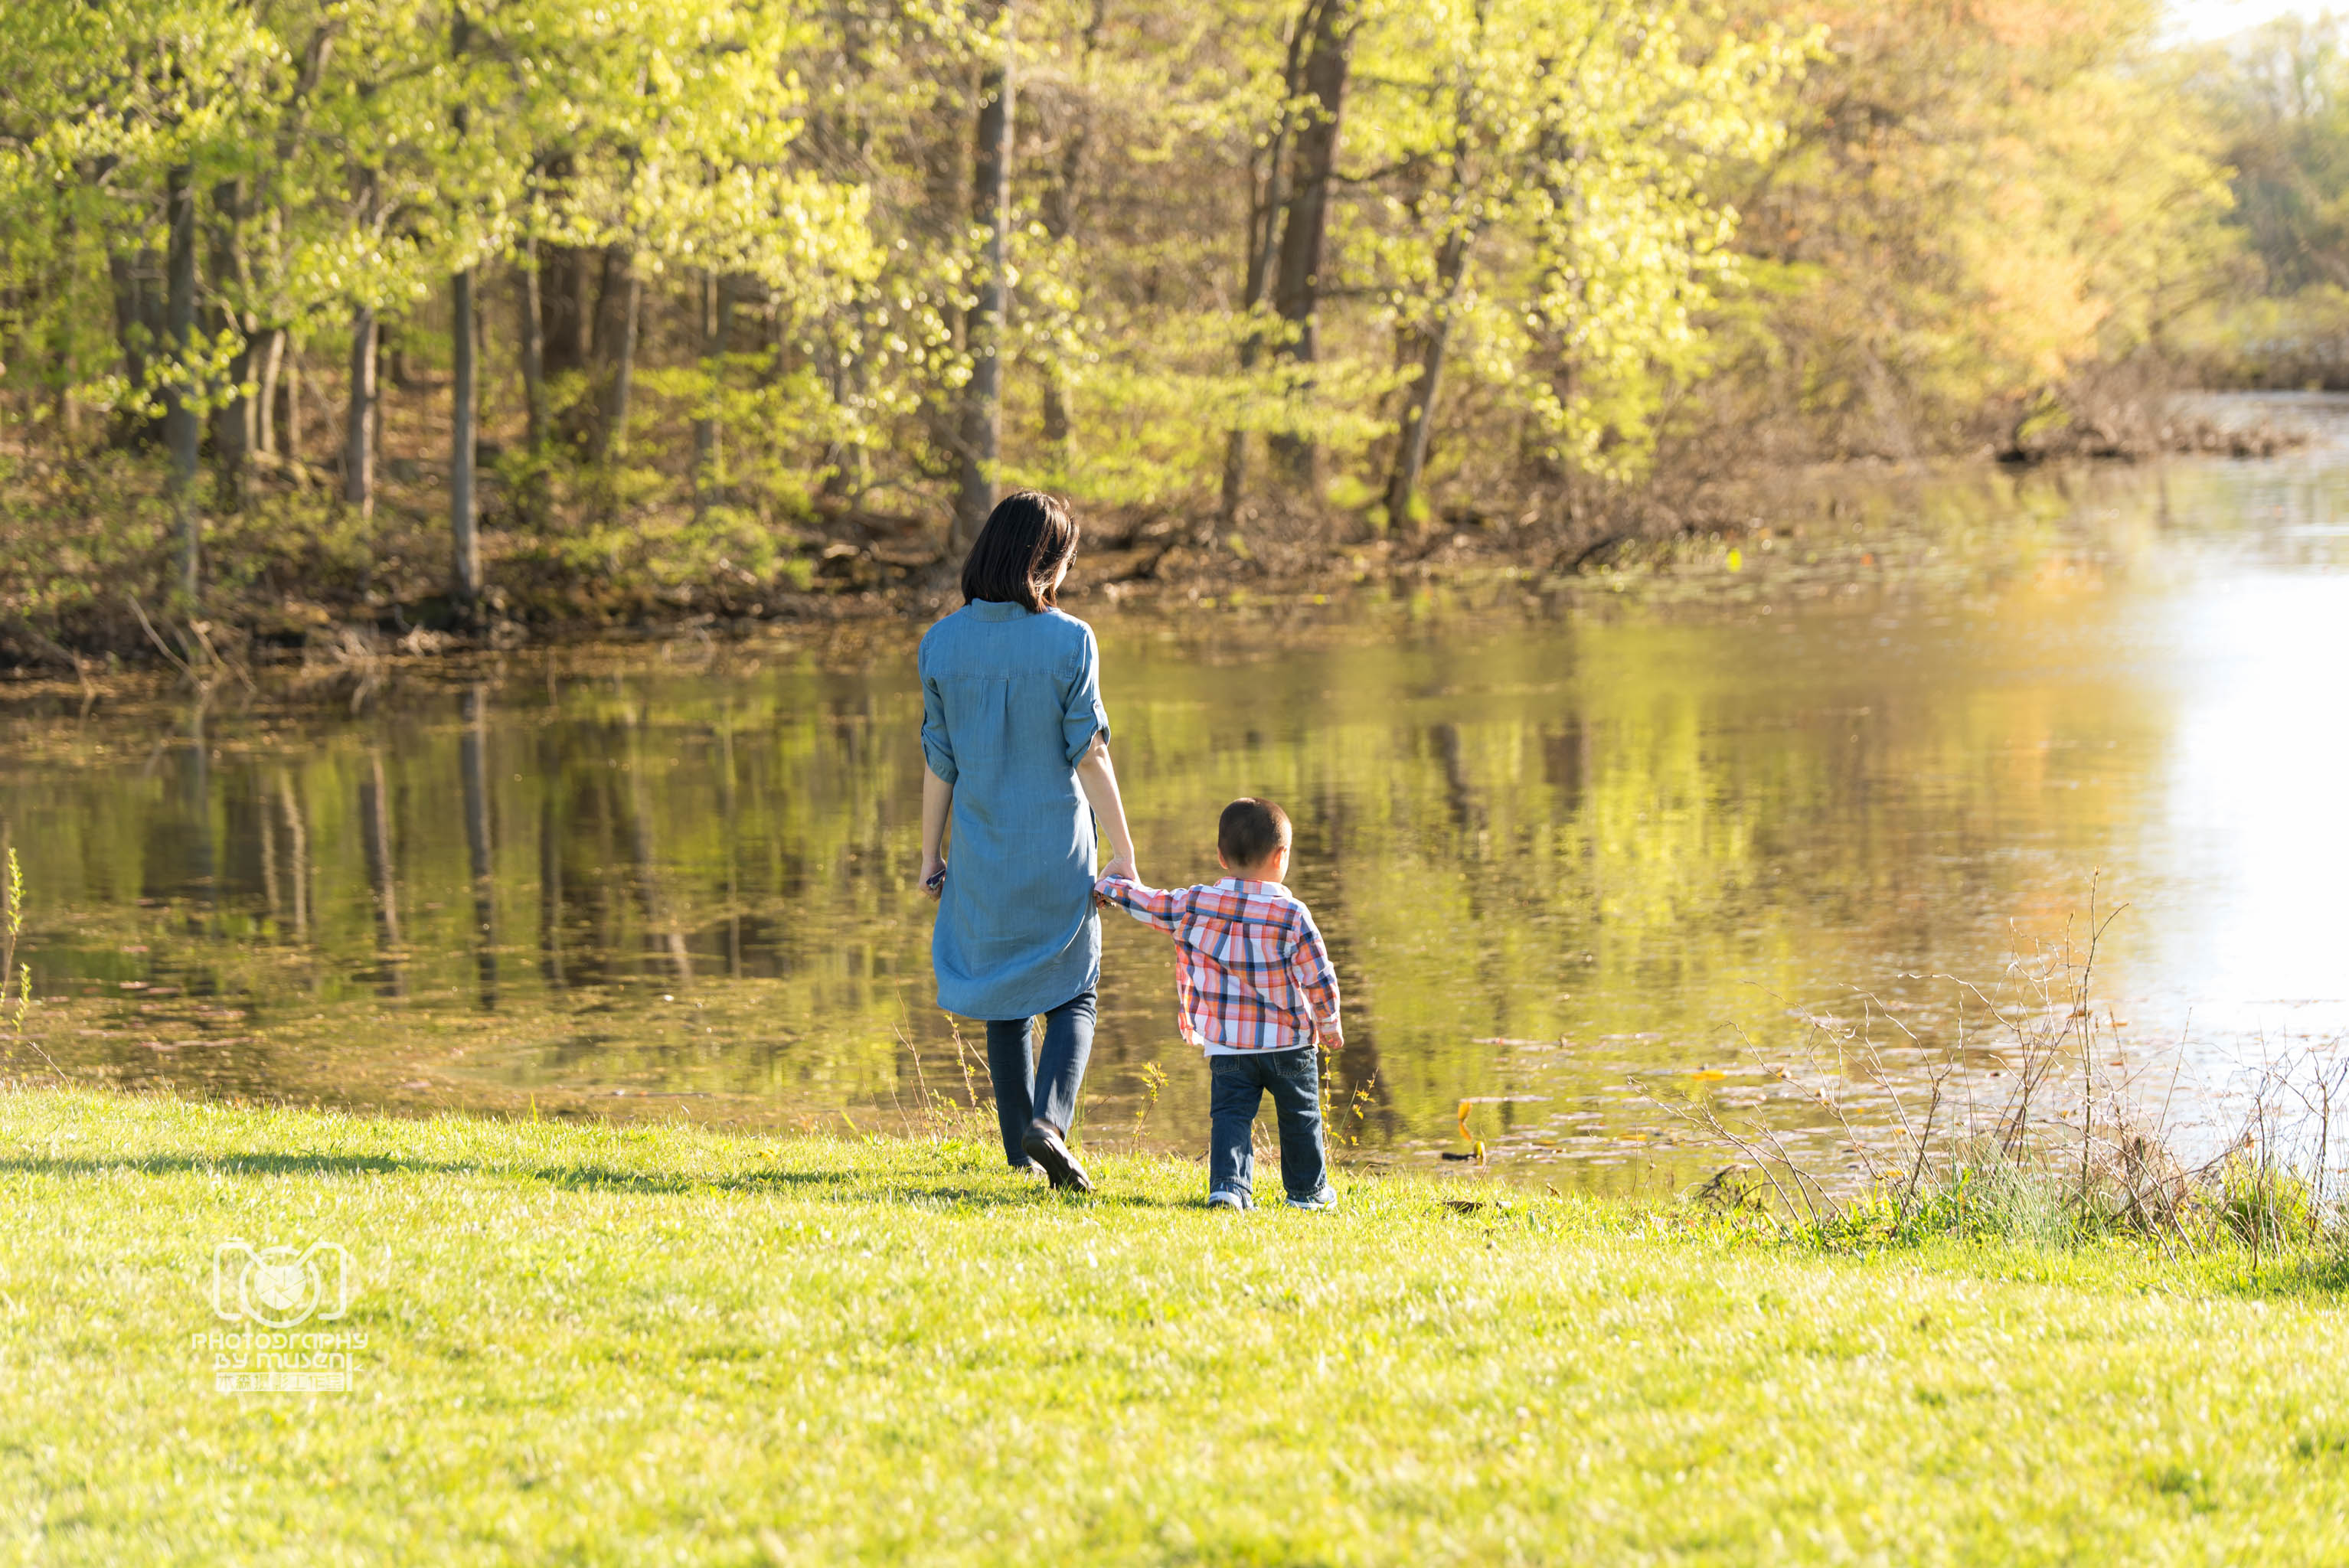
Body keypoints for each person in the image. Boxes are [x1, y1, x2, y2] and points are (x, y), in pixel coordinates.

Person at [919, 492, 1139, 1193]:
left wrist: (931, 855)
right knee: (1075, 994)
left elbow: (938, 762)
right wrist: (1126, 853)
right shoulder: (1071, 639)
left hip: (983, 853)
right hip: (1058, 852)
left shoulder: (940, 643)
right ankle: (1049, 1123)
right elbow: (1091, 755)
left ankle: (1021, 1148)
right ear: (1046, 562)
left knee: (1002, 997)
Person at [1093, 797, 1343, 1210]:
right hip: (1290, 1044)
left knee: (1231, 1116)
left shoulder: (1197, 903)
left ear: (1221, 857)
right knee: (1300, 1118)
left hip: (1228, 1044)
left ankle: (1228, 1188)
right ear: (1281, 857)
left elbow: (1152, 903)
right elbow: (1320, 976)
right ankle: (1307, 1193)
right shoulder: (1292, 915)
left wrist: (1111, 888)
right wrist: (1329, 1024)